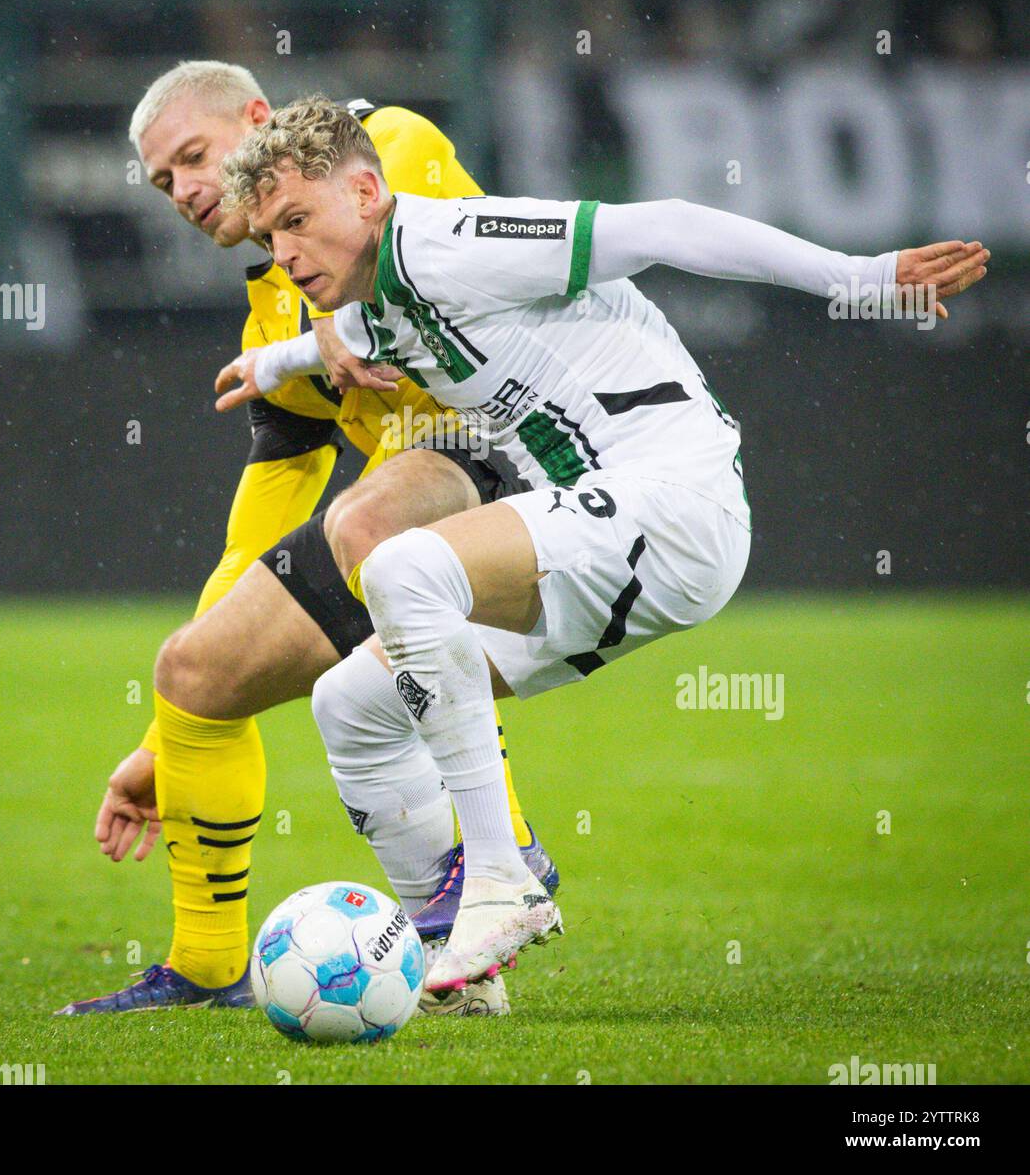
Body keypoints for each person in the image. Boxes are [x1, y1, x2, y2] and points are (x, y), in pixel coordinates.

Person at [219, 93, 989, 994]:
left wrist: (858, 277)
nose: (284, 255)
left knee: (402, 565)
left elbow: (664, 224)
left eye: (298, 222)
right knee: (352, 703)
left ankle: (502, 880)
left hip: (674, 499)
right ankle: (458, 978)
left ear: (366, 193)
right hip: (622, 531)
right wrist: (269, 364)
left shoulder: (448, 241)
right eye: (270, 237)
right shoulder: (379, 298)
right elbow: (344, 340)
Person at [57, 64, 557, 1017]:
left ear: (259, 121)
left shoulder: (388, 146)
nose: (186, 192)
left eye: (195, 158)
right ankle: (211, 965)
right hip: (439, 490)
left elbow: (413, 253)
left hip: (534, 449)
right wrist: (163, 739)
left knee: (369, 519)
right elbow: (249, 547)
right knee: (197, 673)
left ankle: (507, 849)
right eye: (164, 183)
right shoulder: (275, 308)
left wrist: (351, 316)